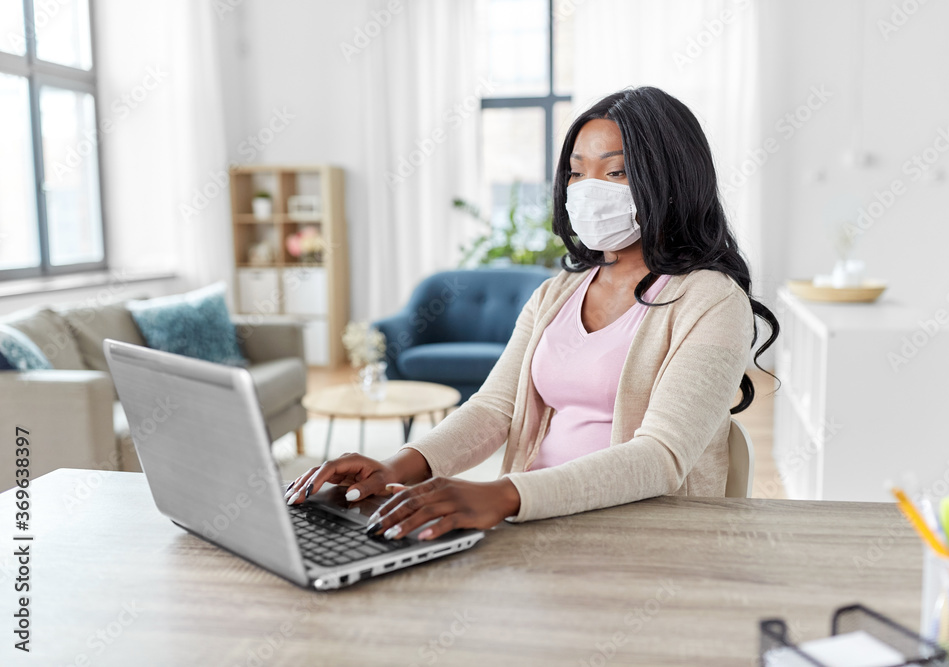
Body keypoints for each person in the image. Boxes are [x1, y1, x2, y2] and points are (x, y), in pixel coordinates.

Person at [285, 86, 779, 542]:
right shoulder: (555, 294)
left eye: (614, 172)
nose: (587, 189)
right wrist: (397, 467)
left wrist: (502, 494)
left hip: (640, 538)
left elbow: (661, 457)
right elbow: (494, 409)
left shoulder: (711, 301)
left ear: (670, 181)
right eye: (576, 171)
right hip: (536, 522)